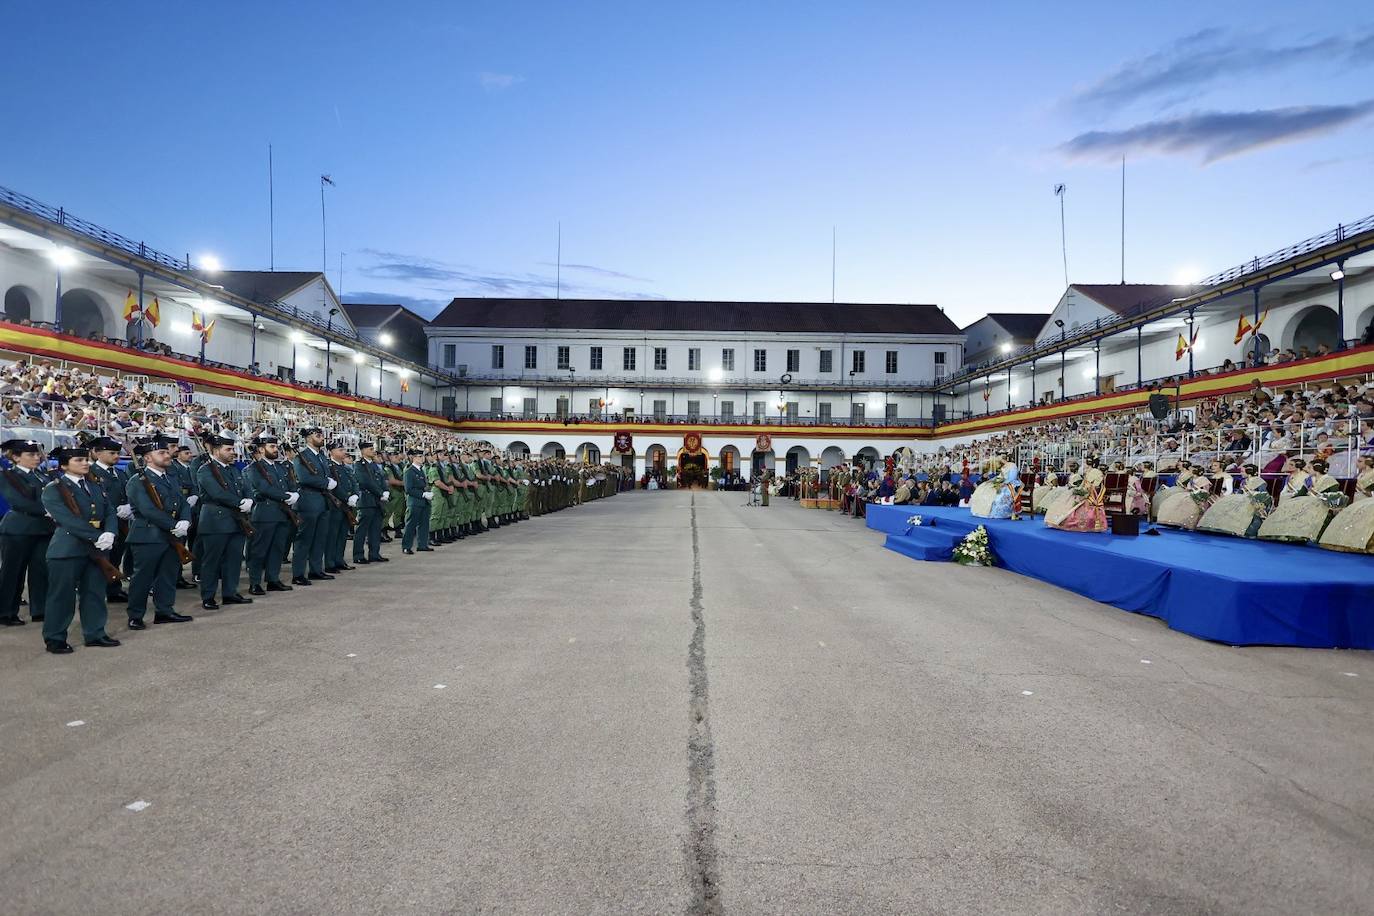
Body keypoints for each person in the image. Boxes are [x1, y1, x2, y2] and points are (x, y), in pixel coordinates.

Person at [40, 446, 120, 654]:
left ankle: (95, 633)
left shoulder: (94, 484)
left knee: (94, 592)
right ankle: (55, 637)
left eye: (85, 459)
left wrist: (110, 532)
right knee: (62, 596)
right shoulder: (53, 489)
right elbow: (67, 520)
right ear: (64, 465)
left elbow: (109, 510)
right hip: (68, 549)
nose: (85, 463)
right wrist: (97, 536)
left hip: (97, 548)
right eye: (78, 460)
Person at [125, 437, 194, 629]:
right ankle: (135, 615)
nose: (167, 455)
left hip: (171, 535)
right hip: (148, 536)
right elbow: (148, 510)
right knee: (142, 578)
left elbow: (183, 502)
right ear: (147, 458)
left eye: (166, 452)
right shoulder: (137, 481)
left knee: (167, 575)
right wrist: (174, 524)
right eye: (161, 453)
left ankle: (164, 610)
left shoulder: (170, 477)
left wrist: (185, 520)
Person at [195, 434, 253, 610]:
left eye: (233, 449)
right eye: (228, 449)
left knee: (233, 560)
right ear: (216, 450)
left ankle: (230, 593)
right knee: (212, 561)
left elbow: (246, 488)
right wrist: (239, 502)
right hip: (216, 521)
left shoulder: (234, 470)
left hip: (236, 520)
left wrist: (249, 499)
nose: (232, 452)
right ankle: (208, 596)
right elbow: (216, 493)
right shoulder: (205, 470)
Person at [0, 439, 53, 627]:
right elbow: (18, 501)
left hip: (43, 528)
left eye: (37, 454)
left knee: (41, 570)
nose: (36, 458)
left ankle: (40, 609)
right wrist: (48, 510)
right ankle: (6, 611)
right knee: (13, 572)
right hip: (18, 528)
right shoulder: (8, 476)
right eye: (30, 455)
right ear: (15, 457)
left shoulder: (41, 475)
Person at [244, 434, 299, 595]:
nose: (276, 450)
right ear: (261, 449)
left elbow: (291, 483)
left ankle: (273, 579)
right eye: (272, 447)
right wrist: (287, 496)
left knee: (277, 549)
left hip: (282, 513)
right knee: (259, 550)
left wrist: (294, 493)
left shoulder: (281, 467)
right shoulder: (254, 468)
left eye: (276, 447)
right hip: (265, 514)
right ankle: (255, 582)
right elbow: (263, 488)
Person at [87, 436, 132, 603]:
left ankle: (113, 589)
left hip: (120, 523)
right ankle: (98, 590)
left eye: (117, 453)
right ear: (97, 453)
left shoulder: (120, 473)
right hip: (101, 524)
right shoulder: (90, 473)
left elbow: (127, 493)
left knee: (115, 557)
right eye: (111, 453)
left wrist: (128, 506)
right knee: (100, 559)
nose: (116, 456)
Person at [291, 427, 335, 585]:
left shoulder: (321, 457)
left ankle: (316, 570)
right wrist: (326, 483)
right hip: (308, 500)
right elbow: (303, 478)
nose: (322, 438)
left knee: (319, 538)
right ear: (309, 438)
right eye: (318, 435)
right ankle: (298, 574)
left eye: (322, 435)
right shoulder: (301, 457)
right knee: (304, 539)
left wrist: (328, 481)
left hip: (323, 501)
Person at [352, 441, 389, 564]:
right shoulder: (359, 465)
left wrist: (386, 490)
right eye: (370, 449)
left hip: (377, 501)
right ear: (362, 451)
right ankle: (358, 555)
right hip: (366, 501)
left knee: (375, 529)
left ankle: (374, 553)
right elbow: (365, 482)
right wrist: (381, 493)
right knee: (362, 530)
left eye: (373, 448)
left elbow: (382, 479)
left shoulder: (374, 465)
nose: (373, 451)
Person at [324, 441, 358, 573]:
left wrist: (355, 494)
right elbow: (334, 487)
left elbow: (354, 482)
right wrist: (346, 497)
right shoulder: (329, 467)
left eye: (344, 449)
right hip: (335, 505)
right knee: (332, 535)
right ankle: (330, 563)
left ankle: (339, 560)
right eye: (340, 450)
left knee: (342, 534)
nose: (344, 452)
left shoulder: (345, 467)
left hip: (347, 505)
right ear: (331, 452)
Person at [402, 448, 433, 554]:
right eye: (419, 457)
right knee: (411, 525)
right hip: (415, 502)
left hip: (424, 502)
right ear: (413, 458)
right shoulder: (409, 471)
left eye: (422, 456)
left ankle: (422, 544)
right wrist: (423, 494)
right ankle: (406, 546)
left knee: (424, 524)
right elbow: (408, 489)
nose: (422, 458)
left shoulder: (421, 470)